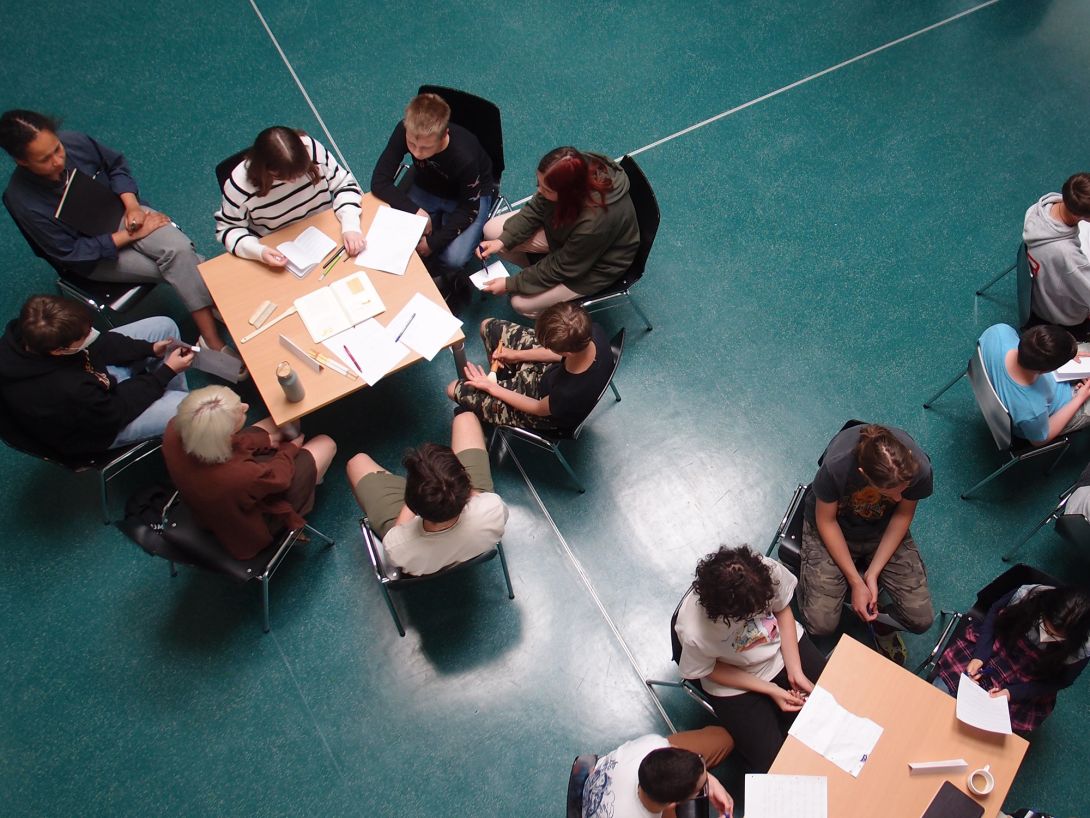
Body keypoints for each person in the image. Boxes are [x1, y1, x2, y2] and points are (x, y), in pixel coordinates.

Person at [0, 109, 233, 357]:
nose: (58, 160)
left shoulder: (75, 141)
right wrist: (131, 236)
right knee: (180, 266)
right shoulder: (22, 201)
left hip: (123, 214)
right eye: (45, 159)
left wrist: (132, 206)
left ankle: (208, 317)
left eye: (57, 149)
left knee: (180, 252)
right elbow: (71, 253)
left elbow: (115, 166)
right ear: (22, 161)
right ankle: (211, 337)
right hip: (94, 256)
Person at [674, 546, 826, 774]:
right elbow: (710, 670)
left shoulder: (766, 570)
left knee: (839, 699)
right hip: (733, 682)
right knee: (775, 767)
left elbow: (782, 610)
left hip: (782, 647)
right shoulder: (694, 629)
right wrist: (771, 689)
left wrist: (795, 670)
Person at [798, 423, 934, 660]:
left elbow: (902, 515)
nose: (899, 497)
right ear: (863, 474)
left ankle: (881, 624)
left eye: (903, 489)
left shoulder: (917, 467)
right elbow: (827, 522)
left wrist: (871, 574)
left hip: (881, 530)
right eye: (889, 493)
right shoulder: (837, 466)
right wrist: (856, 582)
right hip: (835, 528)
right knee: (821, 625)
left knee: (921, 619)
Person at [0, 295, 192, 455]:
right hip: (100, 426)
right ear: (59, 351)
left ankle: (177, 416)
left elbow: (99, 345)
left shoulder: (31, 332)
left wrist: (149, 348)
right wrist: (164, 374)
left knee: (163, 327)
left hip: (95, 387)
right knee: (193, 409)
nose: (92, 334)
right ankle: (185, 420)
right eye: (84, 337)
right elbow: (115, 410)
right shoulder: (66, 389)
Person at [161, 386, 336, 560]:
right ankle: (313, 481)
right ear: (225, 437)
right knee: (326, 443)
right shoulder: (239, 476)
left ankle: (309, 469)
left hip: (210, 500)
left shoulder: (174, 428)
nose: (246, 406)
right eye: (239, 413)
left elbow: (236, 443)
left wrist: (264, 441)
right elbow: (280, 478)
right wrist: (290, 449)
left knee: (284, 421)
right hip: (247, 526)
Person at [476, 146, 639, 318]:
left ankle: (542, 288)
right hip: (569, 237)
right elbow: (537, 207)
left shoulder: (594, 223)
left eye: (546, 190)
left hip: (597, 266)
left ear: (569, 193)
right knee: (493, 232)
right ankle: (537, 276)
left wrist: (511, 284)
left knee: (521, 303)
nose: (539, 191)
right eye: (539, 184)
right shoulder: (572, 169)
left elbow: (561, 266)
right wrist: (503, 241)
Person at [346, 412, 507, 575]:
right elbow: (478, 496)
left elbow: (398, 531)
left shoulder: (397, 546)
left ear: (409, 499)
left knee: (356, 462)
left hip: (424, 556)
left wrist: (416, 497)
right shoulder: (494, 507)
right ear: (465, 484)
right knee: (465, 418)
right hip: (472, 540)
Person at [370, 93, 494, 290]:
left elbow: (469, 209)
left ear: (444, 135)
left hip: (467, 198)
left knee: (454, 259)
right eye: (412, 144)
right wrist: (416, 211)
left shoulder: (465, 156)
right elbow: (379, 182)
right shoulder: (405, 130)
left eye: (426, 147)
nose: (417, 153)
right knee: (396, 238)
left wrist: (433, 243)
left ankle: (436, 278)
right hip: (426, 185)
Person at [934, 584, 1090, 734]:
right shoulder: (1028, 595)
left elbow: (1060, 681)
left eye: (1055, 637)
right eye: (1044, 627)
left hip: (1031, 677)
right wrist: (980, 656)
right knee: (938, 696)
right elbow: (993, 614)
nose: (1045, 637)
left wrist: (1012, 693)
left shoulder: (1083, 647)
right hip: (997, 646)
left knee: (985, 731)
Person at [446, 302, 613, 431]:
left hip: (541, 405)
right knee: (488, 326)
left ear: (567, 352)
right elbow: (558, 354)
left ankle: (498, 390)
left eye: (549, 345)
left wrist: (492, 388)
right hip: (551, 376)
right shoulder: (590, 331)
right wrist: (516, 355)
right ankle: (505, 378)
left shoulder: (569, 392)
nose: (547, 347)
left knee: (453, 388)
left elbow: (538, 408)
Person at [214, 126, 364, 267]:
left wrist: (350, 224)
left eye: (300, 173)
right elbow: (228, 229)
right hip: (276, 248)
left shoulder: (312, 150)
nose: (293, 181)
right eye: (281, 176)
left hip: (323, 235)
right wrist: (259, 251)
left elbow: (344, 184)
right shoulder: (240, 185)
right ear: (264, 168)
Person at [582, 727, 734, 818]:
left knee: (724, 739)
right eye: (699, 790)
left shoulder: (651, 745)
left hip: (600, 782)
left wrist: (711, 781)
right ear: (674, 804)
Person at [979, 323, 1090, 445]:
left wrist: (1062, 354)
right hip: (1062, 405)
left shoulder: (999, 332)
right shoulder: (1032, 410)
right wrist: (1079, 398)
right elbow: (1040, 440)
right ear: (1045, 371)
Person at [1024, 173, 1090, 334]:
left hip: (1040, 293)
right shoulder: (1068, 256)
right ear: (1079, 216)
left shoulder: (1040, 209)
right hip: (1060, 316)